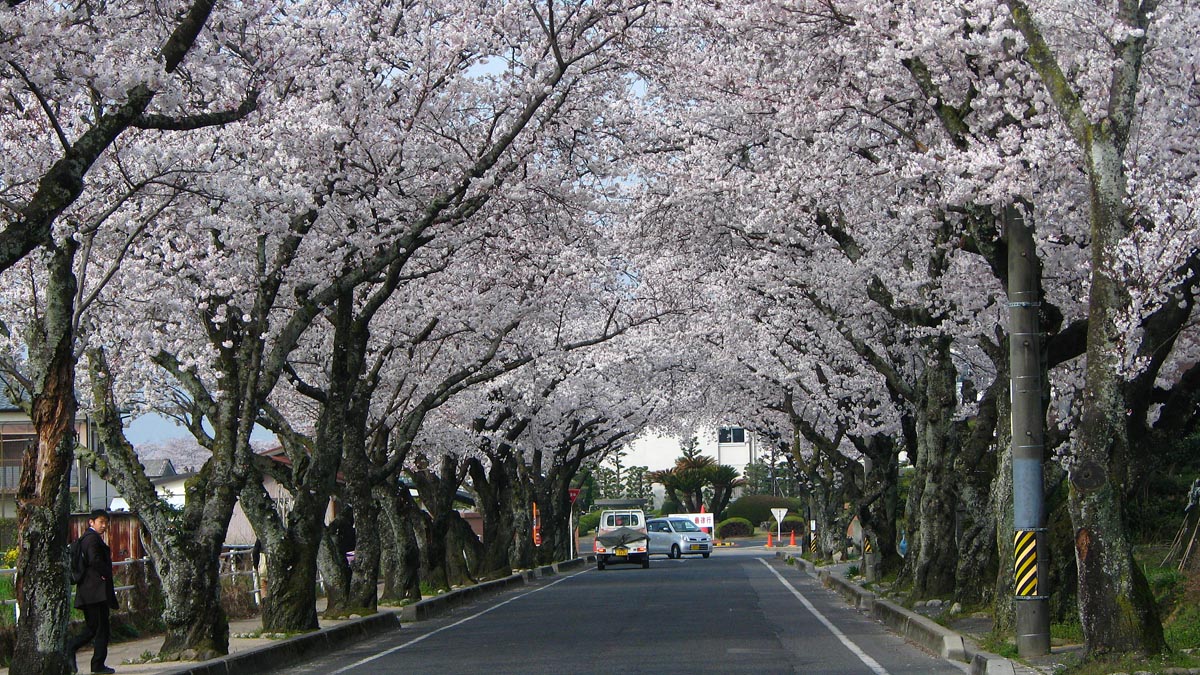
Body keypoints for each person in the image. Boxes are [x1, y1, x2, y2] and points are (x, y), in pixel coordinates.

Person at [68, 509, 118, 674]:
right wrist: (105, 574)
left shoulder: (87, 538)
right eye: (101, 522)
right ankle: (96, 664)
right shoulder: (91, 539)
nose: (104, 526)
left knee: (93, 628)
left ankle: (72, 649)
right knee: (101, 628)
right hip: (95, 591)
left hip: (90, 591)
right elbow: (94, 560)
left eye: (106, 523)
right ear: (91, 522)